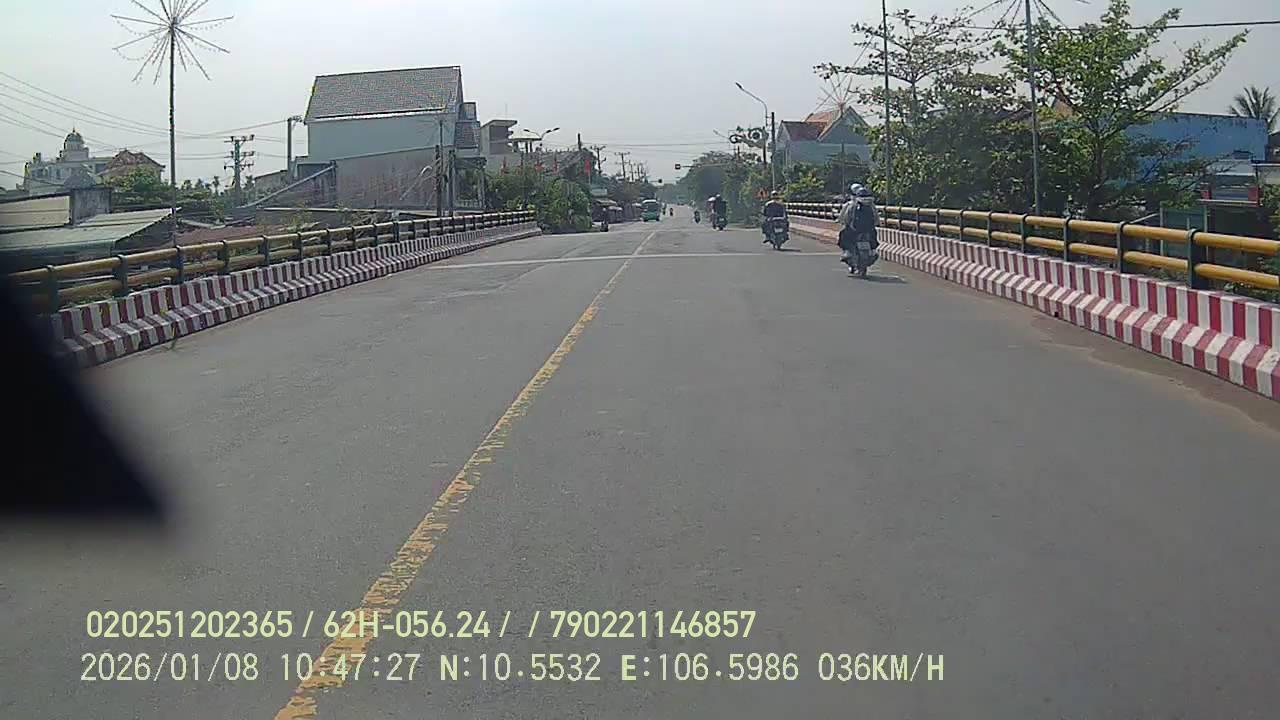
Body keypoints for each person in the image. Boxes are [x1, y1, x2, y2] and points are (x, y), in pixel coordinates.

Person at [836, 184, 877, 269]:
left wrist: (842, 222)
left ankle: (847, 252)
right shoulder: (871, 204)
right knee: (873, 235)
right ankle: (873, 251)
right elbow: (876, 217)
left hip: (854, 229)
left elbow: (844, 217)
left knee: (843, 235)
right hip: (868, 229)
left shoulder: (850, 204)